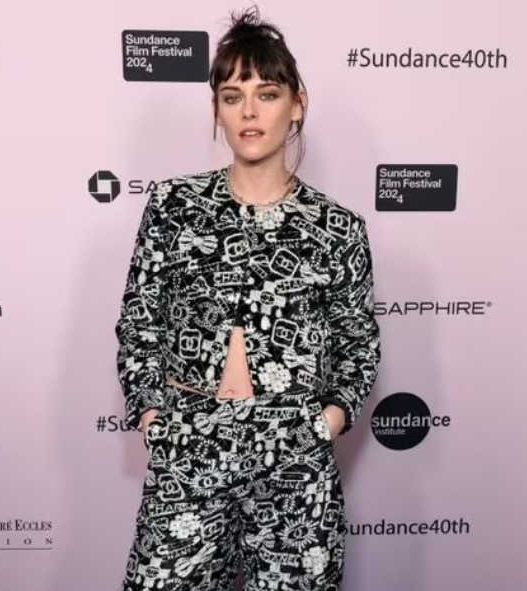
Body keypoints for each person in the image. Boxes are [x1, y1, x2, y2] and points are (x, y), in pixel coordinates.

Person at [114, 5, 381, 590]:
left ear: (297, 104)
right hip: (190, 443)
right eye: (233, 97)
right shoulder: (173, 206)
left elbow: (359, 347)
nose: (250, 111)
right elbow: (140, 322)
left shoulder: (337, 228)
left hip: (294, 454)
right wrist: (155, 418)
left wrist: (325, 423)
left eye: (267, 94)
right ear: (217, 110)